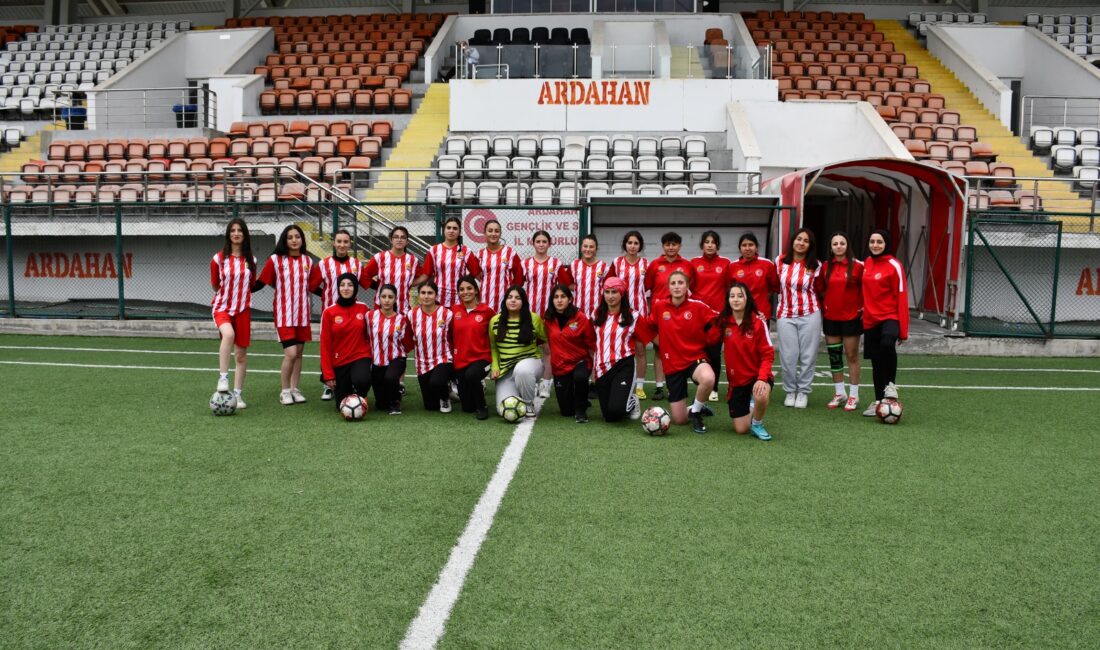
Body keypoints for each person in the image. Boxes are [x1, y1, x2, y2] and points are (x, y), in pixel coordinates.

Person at [636, 270, 719, 434]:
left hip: (694, 359)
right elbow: (646, 327)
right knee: (679, 420)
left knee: (708, 378)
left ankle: (696, 413)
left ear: (687, 286)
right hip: (672, 365)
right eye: (673, 283)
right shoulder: (659, 307)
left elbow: (721, 319)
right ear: (668, 287)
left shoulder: (698, 306)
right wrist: (661, 342)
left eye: (681, 283)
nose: (677, 286)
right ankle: (696, 407)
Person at [256, 224, 322, 406]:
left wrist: (330, 295)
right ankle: (284, 391)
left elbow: (312, 287)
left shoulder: (308, 261)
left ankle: (295, 389)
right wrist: (242, 288)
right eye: (290, 237)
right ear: (284, 240)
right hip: (284, 315)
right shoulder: (276, 260)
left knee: (299, 353)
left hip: (302, 314)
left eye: (297, 237)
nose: (294, 240)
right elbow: (262, 282)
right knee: (291, 353)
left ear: (302, 240)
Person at [861, 229, 908, 416]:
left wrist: (903, 330)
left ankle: (890, 386)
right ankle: (879, 401)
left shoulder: (894, 265)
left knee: (887, 344)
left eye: (879, 242)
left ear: (886, 243)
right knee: (876, 361)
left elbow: (902, 296)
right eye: (872, 241)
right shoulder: (867, 262)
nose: (875, 245)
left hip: (890, 316)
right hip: (870, 319)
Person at [210, 218, 256, 408]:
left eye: (240, 230)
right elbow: (215, 285)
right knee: (228, 334)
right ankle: (223, 378)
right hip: (222, 307)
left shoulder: (251, 260)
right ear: (228, 235)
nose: (236, 234)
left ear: (245, 235)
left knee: (241, 355)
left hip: (243, 310)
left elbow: (251, 285)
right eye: (232, 230)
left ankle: (237, 395)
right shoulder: (218, 259)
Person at [720, 282, 775, 441]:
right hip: (737, 381)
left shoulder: (758, 322)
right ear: (728, 300)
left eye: (740, 296)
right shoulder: (723, 321)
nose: (736, 299)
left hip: (757, 376)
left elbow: (768, 354)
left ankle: (757, 424)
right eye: (732, 296)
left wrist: (762, 378)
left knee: (761, 393)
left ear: (747, 299)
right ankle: (752, 404)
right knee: (741, 429)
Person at [775, 227, 822, 409]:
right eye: (799, 239)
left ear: (810, 245)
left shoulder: (816, 265)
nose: (801, 243)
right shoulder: (779, 261)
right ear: (793, 241)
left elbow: (821, 289)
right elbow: (773, 285)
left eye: (806, 241)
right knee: (788, 356)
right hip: (785, 315)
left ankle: (803, 392)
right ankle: (789, 391)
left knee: (808, 356)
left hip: (810, 314)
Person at [643, 232, 694, 400]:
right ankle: (659, 387)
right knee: (660, 350)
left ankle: (677, 387)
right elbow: (646, 287)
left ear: (680, 246)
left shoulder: (687, 265)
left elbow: (693, 287)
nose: (671, 247)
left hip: (681, 315)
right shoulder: (655, 265)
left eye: (674, 244)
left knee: (679, 351)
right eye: (667, 244)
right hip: (660, 315)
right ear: (663, 246)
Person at [817, 231, 864, 412]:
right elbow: (820, 289)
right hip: (831, 318)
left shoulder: (858, 266)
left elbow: (867, 288)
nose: (838, 246)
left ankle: (854, 395)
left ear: (847, 245)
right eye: (835, 244)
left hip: (851, 318)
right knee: (835, 357)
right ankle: (839, 393)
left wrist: (863, 307)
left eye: (842, 243)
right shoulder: (825, 266)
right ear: (831, 247)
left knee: (851, 356)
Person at [523, 229, 573, 397]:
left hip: (549, 313)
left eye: (544, 241)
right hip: (530, 313)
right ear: (533, 243)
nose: (541, 244)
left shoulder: (556, 263)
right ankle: (529, 382)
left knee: (547, 348)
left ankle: (545, 383)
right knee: (528, 347)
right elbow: (518, 284)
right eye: (538, 241)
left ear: (549, 244)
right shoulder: (526, 263)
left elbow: (566, 286)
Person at [317, 229, 363, 401]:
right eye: (339, 241)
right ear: (334, 243)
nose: (342, 245)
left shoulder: (357, 264)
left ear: (350, 244)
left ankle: (351, 380)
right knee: (328, 346)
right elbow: (313, 284)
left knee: (350, 346)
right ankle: (327, 384)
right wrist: (326, 296)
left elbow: (366, 282)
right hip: (331, 313)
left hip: (351, 313)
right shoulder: (324, 264)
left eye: (345, 241)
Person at [489, 285, 548, 416]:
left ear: (523, 302)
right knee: (503, 409)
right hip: (507, 370)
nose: (513, 300)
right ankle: (524, 388)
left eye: (517, 298)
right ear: (505, 301)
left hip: (530, 364)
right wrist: (495, 367)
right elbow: (493, 347)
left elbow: (547, 338)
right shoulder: (495, 321)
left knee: (522, 370)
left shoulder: (533, 318)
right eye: (510, 297)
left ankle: (528, 403)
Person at [591, 277, 643, 423]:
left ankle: (632, 401)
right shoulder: (596, 314)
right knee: (609, 417)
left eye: (614, 292)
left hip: (623, 365)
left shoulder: (633, 316)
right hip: (602, 368)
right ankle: (625, 401)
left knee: (616, 410)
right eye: (607, 292)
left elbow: (651, 336)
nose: (610, 296)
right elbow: (590, 341)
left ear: (622, 293)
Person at [690, 230, 732, 403]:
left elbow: (729, 288)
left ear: (717, 245)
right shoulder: (694, 263)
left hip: (717, 317)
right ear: (702, 245)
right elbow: (689, 287)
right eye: (706, 242)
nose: (709, 245)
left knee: (714, 353)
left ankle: (713, 388)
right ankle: (702, 384)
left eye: (713, 242)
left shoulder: (726, 263)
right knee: (699, 352)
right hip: (697, 316)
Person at [319, 273, 372, 409]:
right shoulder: (329, 312)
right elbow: (325, 345)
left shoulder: (364, 308)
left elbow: (371, 334)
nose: (346, 288)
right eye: (342, 285)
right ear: (338, 288)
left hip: (360, 356)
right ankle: (349, 390)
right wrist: (328, 374)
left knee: (362, 380)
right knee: (341, 406)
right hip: (339, 361)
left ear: (355, 288)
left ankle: (361, 396)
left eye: (350, 285)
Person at [545, 284, 596, 423]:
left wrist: (595, 368)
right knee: (566, 411)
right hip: (560, 366)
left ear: (570, 299)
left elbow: (592, 343)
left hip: (580, 361)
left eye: (563, 296)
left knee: (580, 377)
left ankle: (581, 409)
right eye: (556, 297)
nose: (559, 300)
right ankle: (578, 400)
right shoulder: (548, 319)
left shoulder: (580, 318)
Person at [612, 230, 651, 401]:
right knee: (619, 349)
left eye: (636, 243)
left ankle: (640, 386)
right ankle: (618, 382)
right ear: (625, 245)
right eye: (630, 243)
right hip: (621, 312)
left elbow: (649, 285)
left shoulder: (646, 264)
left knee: (640, 350)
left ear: (640, 246)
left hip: (640, 313)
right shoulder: (617, 262)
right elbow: (611, 285)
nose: (633, 246)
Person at [407, 281, 455, 413]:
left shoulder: (447, 314)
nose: (426, 296)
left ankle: (445, 397)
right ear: (418, 295)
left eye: (430, 293)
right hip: (422, 362)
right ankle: (446, 389)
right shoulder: (411, 314)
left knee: (436, 382)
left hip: (443, 358)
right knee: (430, 406)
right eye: (423, 293)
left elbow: (454, 337)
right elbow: (408, 337)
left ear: (436, 295)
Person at [452, 275, 495, 420]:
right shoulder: (454, 311)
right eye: (462, 289)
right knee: (467, 408)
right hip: (461, 360)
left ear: (476, 290)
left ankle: (482, 407)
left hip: (482, 358)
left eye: (469, 288)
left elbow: (496, 332)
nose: (466, 292)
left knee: (472, 375)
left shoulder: (487, 311)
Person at [366, 284, 410, 415]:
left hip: (396, 359)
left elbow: (407, 342)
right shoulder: (369, 316)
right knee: (381, 405)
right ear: (378, 298)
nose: (386, 300)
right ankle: (391, 395)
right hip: (377, 362)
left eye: (390, 297)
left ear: (395, 299)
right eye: (383, 296)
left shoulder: (402, 319)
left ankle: (395, 402)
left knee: (390, 377)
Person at [417, 217, 480, 309]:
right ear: (444, 230)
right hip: (438, 297)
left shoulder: (466, 251)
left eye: (455, 228)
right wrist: (410, 283)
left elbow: (475, 273)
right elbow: (426, 274)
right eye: (448, 228)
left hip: (459, 297)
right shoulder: (434, 250)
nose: (451, 231)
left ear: (459, 232)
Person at [361, 225, 421, 314]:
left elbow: (424, 275)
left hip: (403, 308)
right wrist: (376, 285)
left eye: (403, 237)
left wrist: (408, 283)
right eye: (396, 237)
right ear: (391, 239)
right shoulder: (380, 257)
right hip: (381, 306)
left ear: (407, 241)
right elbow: (363, 275)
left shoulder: (413, 260)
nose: (399, 240)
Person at [476, 219, 524, 317]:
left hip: (505, 300)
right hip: (485, 300)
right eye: (490, 231)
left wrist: (512, 292)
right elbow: (476, 273)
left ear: (500, 233)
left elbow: (519, 276)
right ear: (485, 233)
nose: (493, 234)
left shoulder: (510, 252)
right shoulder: (480, 254)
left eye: (496, 231)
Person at [727, 232, 779, 320]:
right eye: (744, 245)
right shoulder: (732, 266)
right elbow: (729, 290)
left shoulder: (767, 264)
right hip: (739, 313)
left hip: (762, 313)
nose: (747, 248)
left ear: (756, 247)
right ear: (740, 248)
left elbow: (775, 287)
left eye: (751, 245)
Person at [569, 234, 614, 320]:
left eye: (591, 247)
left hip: (598, 310)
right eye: (585, 246)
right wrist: (582, 287)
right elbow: (566, 284)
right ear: (581, 248)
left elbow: (609, 287)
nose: (588, 249)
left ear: (596, 249)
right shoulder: (574, 265)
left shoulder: (604, 266)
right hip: (578, 311)